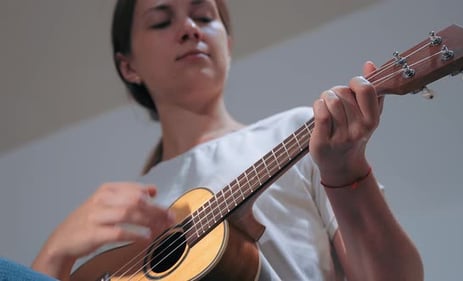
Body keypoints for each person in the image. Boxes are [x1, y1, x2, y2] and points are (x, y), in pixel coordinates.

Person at [31, 0, 424, 280]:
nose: (190, 29)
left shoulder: (301, 132)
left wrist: (345, 171)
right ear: (128, 66)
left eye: (204, 16)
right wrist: (52, 256)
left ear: (229, 46)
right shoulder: (122, 214)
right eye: (161, 22)